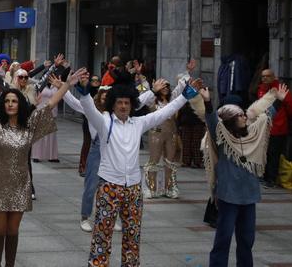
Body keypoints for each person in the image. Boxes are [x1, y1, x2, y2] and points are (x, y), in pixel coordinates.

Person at [76, 69, 203, 267]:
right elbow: (90, 110)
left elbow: (164, 112)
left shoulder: (138, 123)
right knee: (102, 234)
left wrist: (184, 97)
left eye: (127, 102)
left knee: (132, 236)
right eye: (119, 102)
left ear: (132, 105)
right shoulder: (104, 122)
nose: (124, 106)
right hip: (109, 186)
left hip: (134, 188)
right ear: (113, 104)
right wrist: (84, 92)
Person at [0, 68, 66, 267]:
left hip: (20, 183)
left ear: (20, 104)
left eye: (14, 101)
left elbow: (49, 105)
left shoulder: (30, 125)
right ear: (2, 104)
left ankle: (10, 265)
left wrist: (67, 86)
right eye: (7, 101)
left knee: (13, 231)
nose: (10, 104)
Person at [205, 83, 289, 266]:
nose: (245, 117)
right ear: (230, 120)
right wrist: (208, 102)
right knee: (223, 238)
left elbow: (267, 119)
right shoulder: (222, 138)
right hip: (228, 196)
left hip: (249, 196)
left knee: (246, 240)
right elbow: (212, 122)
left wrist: (278, 102)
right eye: (240, 116)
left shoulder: (253, 134)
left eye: (244, 114)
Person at [255, 69, 292, 187]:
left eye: (268, 76)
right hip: (264, 128)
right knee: (264, 153)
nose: (265, 78)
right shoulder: (261, 89)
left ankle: (271, 179)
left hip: (277, 128)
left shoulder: (280, 89)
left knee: (273, 154)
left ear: (274, 77)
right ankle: (263, 176)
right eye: (263, 76)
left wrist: (281, 119)